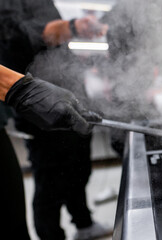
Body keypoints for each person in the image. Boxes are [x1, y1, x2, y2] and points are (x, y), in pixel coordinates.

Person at [0, 1, 111, 239]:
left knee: (78, 167)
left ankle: (84, 225)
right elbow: (26, 34)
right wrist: (74, 26)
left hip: (67, 94)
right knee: (50, 181)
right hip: (37, 106)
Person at [0, 64, 101, 239]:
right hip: (32, 120)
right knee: (48, 187)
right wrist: (19, 88)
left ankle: (82, 222)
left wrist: (19, 88)